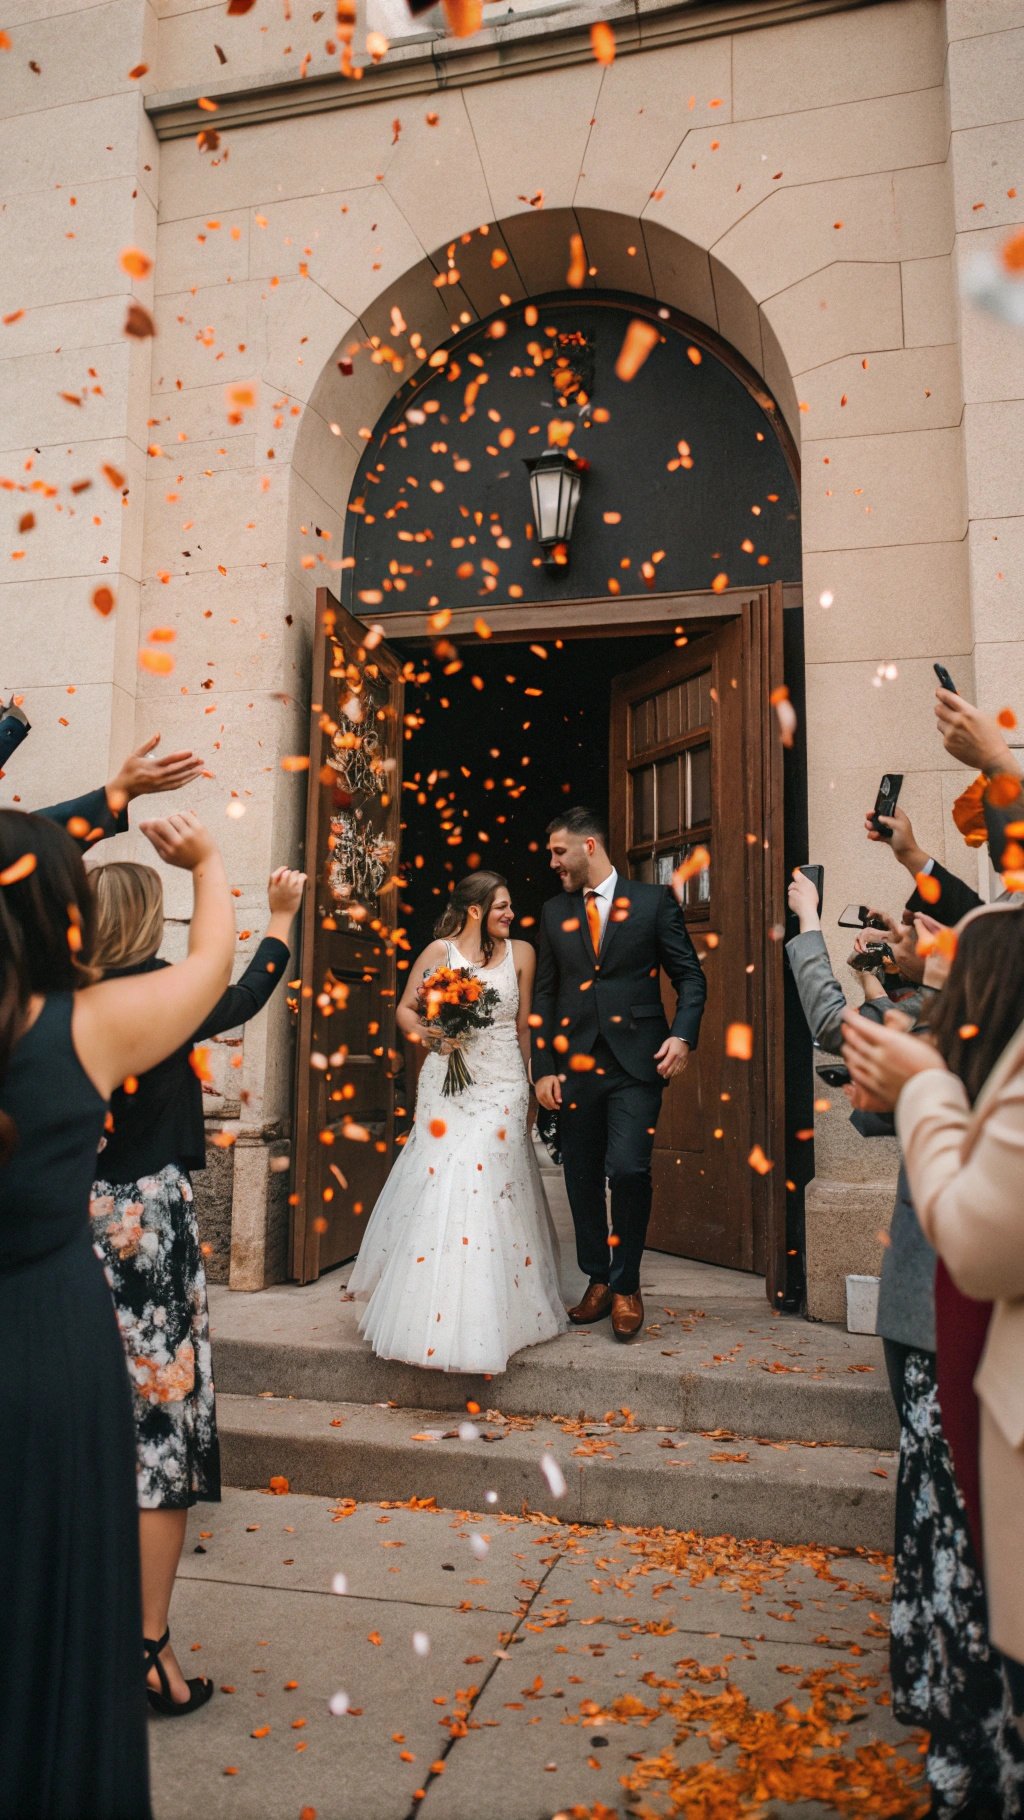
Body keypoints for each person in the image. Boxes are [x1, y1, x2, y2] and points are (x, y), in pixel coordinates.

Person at [0, 807, 233, 1820]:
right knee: (46, 1585)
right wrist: (212, 864)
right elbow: (214, 968)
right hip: (42, 1337)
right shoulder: (84, 1023)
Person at [85, 860, 305, 1715]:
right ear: (150, 923)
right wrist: (280, 915)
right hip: (147, 1230)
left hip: (73, 1220)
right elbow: (246, 992)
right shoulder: (162, 997)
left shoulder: (54, 1002)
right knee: (158, 1431)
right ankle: (146, 1646)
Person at [843, 907, 1024, 1811]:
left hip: (950, 1335)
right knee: (935, 1513)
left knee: (950, 1523)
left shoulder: (961, 1066)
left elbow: (979, 1239)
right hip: (941, 1338)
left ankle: (968, 1733)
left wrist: (918, 1075)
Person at [348, 871, 567, 1374]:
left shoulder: (523, 955)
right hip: (447, 1083)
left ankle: (499, 1311)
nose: (510, 915)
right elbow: (404, 1009)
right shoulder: (437, 954)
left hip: (503, 1084)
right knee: (443, 1182)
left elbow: (524, 1024)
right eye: (501, 906)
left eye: (510, 907)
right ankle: (431, 1310)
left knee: (487, 1178)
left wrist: (533, 1083)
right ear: (475, 910)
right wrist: (431, 1033)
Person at [531, 806, 706, 1341]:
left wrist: (682, 1035)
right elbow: (543, 994)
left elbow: (690, 977)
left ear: (589, 846)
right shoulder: (553, 912)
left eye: (559, 851)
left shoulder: (653, 902)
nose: (553, 862)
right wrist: (542, 1071)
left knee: (628, 1169)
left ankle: (627, 1283)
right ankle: (598, 1279)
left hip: (637, 1062)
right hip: (575, 1064)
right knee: (581, 1176)